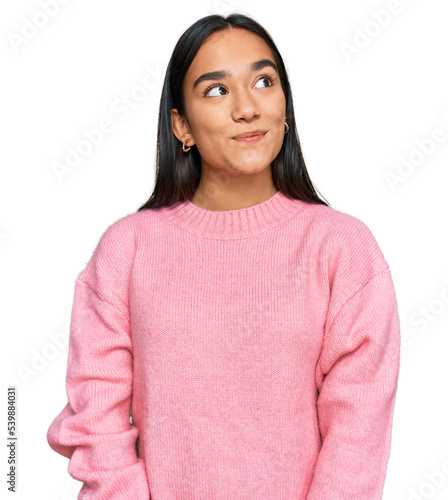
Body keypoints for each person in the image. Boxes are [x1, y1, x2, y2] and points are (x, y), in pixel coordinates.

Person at [47, 13, 401, 500]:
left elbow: (358, 433)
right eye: (216, 90)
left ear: (285, 108)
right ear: (181, 126)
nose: (247, 108)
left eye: (263, 81)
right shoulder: (126, 251)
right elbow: (96, 419)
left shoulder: (342, 249)